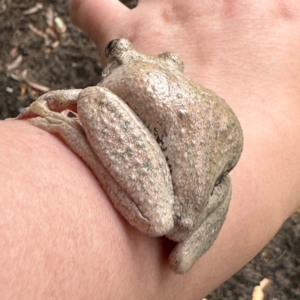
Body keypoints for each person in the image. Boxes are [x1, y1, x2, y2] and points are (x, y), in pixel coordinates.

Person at [1, 0, 300, 298]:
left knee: (92, 99)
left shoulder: (127, 72)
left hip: (163, 204)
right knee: (218, 179)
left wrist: (64, 123)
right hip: (195, 205)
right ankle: (183, 237)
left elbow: (62, 100)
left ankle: (73, 135)